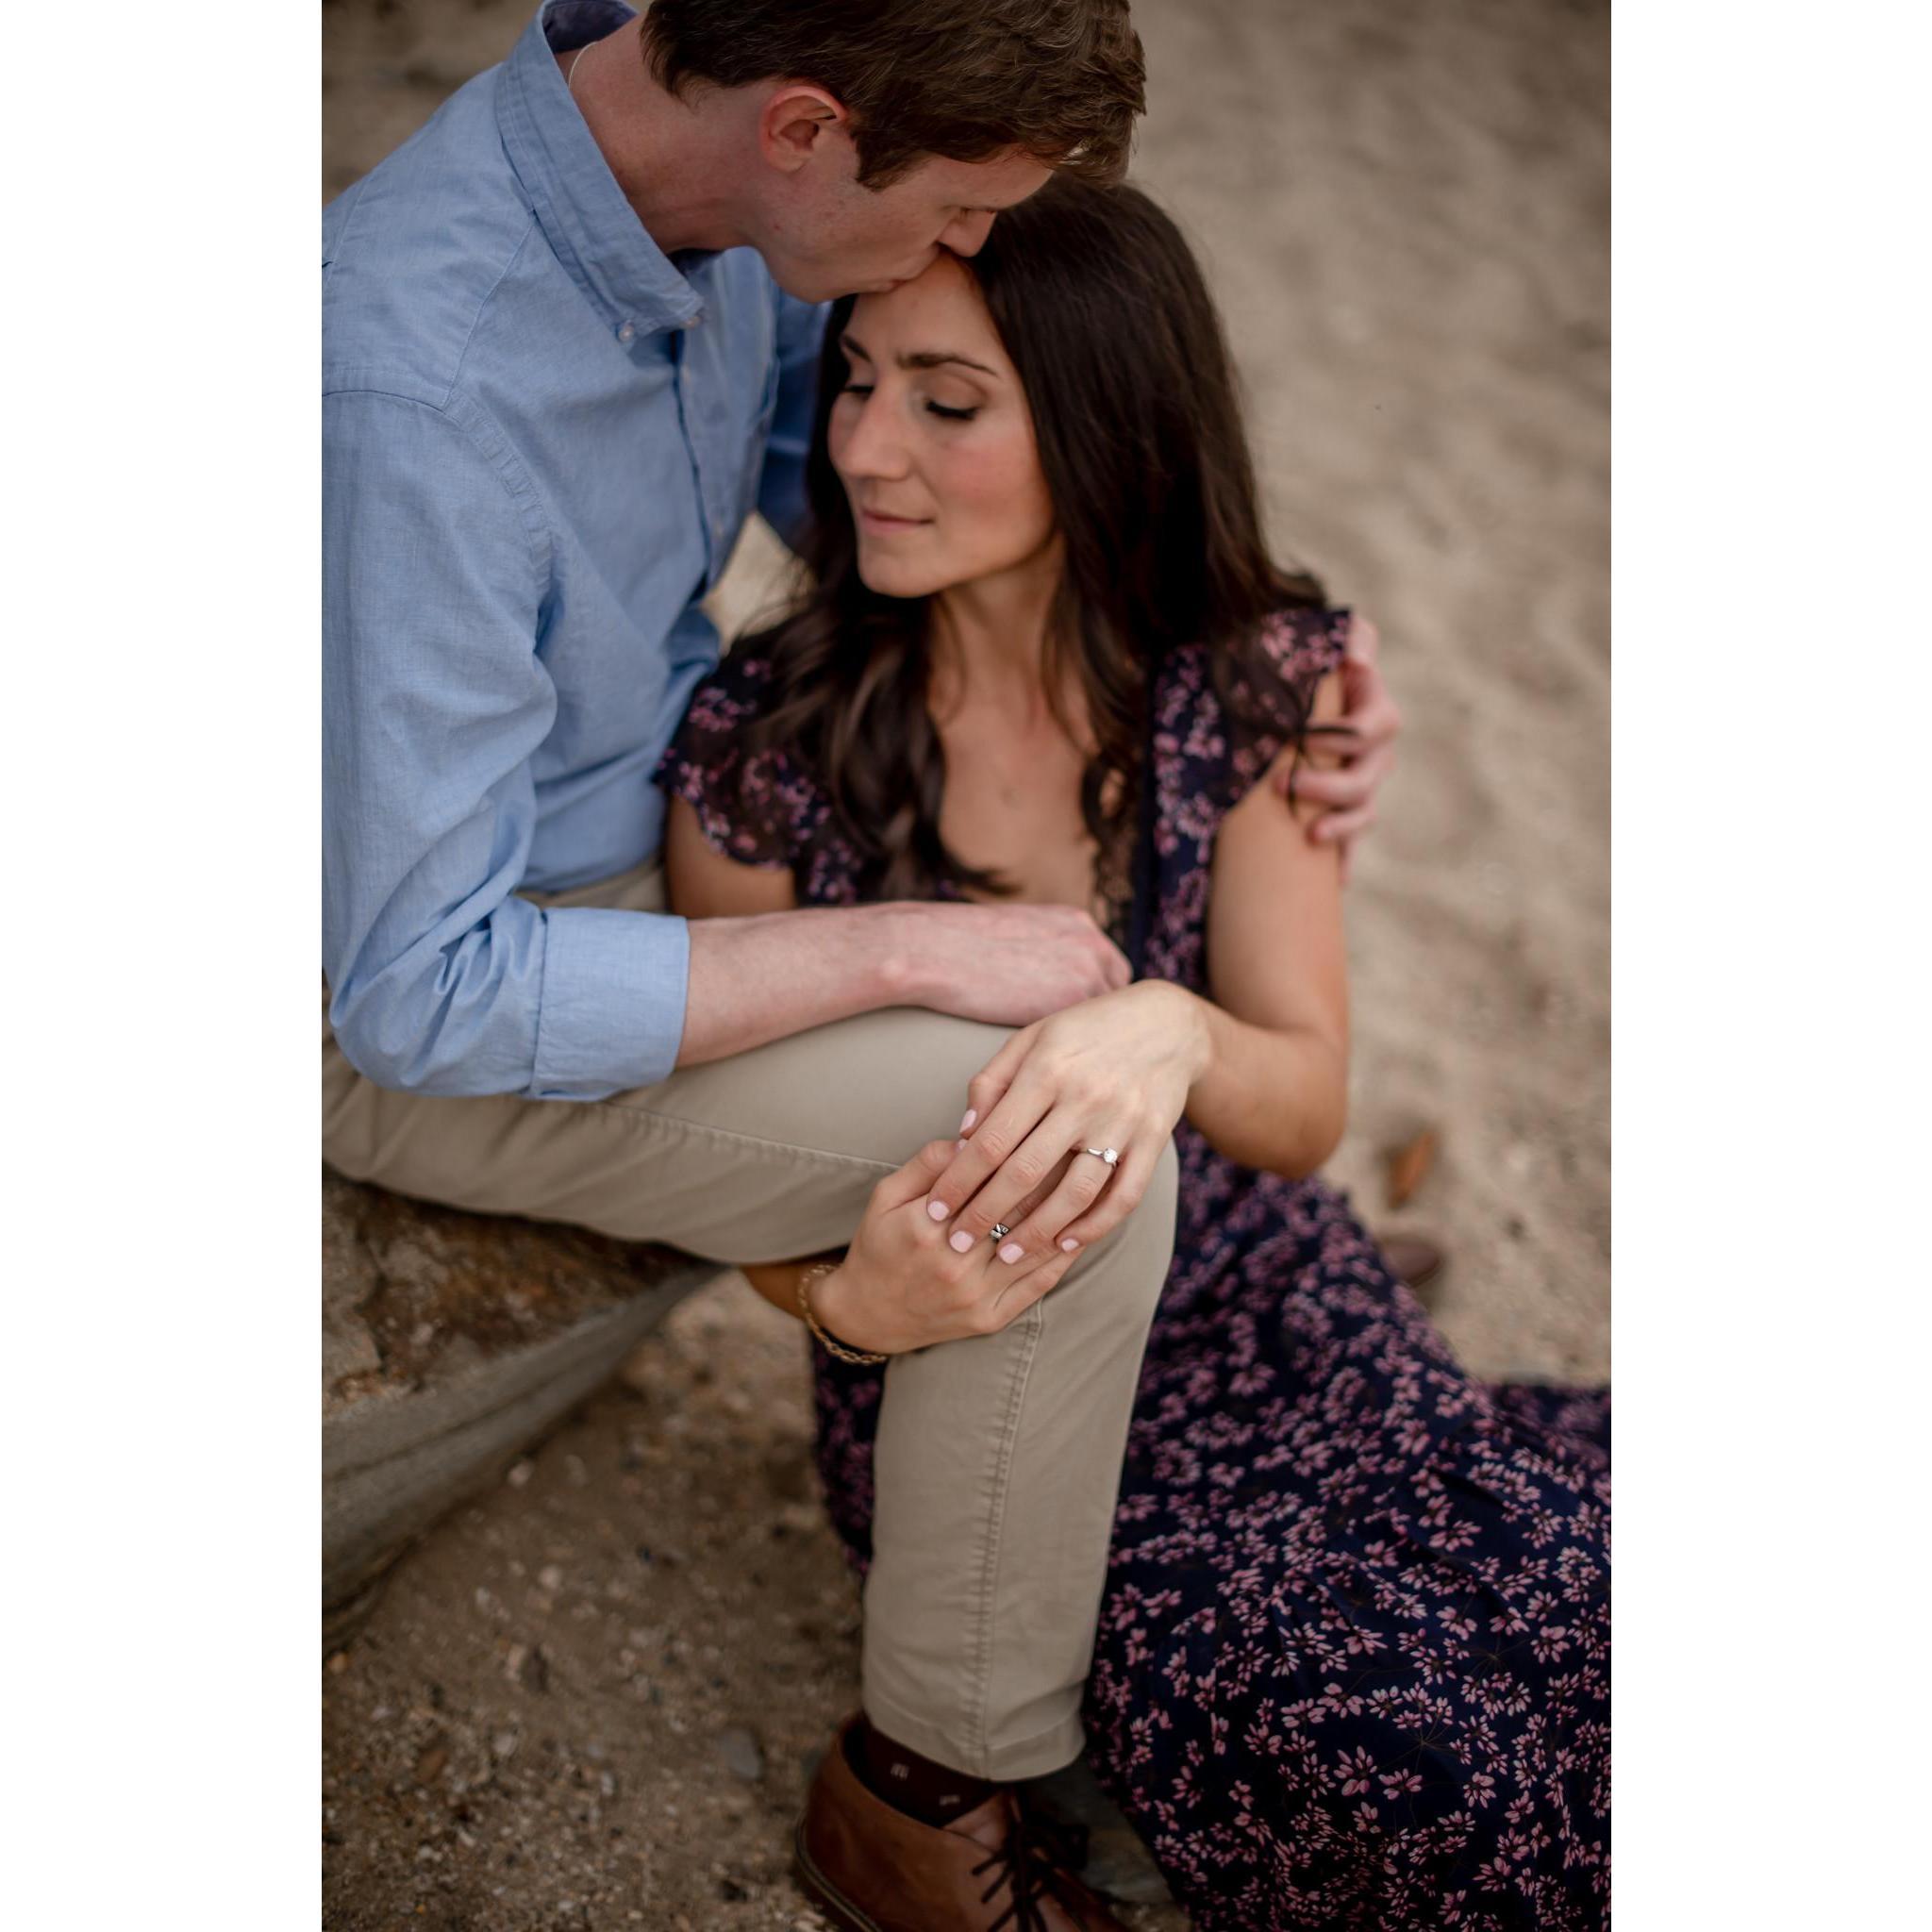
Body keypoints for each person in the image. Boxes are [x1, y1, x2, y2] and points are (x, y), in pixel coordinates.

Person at [324, 5, 1404, 1928]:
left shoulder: (698, 174)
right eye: (954, 215)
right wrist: (896, 940)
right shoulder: (415, 385)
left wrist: (1230, 641)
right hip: (420, 970)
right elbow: (414, 989)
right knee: (1042, 1119)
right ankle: (916, 1792)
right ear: (811, 134)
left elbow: (859, 459)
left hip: (626, 876)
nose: (944, 265)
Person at [656, 176, 1610, 1931]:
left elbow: (1304, 1102)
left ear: (1105, 426)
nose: (868, 446)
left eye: (948, 403)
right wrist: (846, 1311)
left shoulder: (1248, 681)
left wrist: (1168, 1026)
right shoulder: (761, 739)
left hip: (1266, 1292)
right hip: (969, 1358)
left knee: (1588, 1623)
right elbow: (731, 1189)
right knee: (1395, 1763)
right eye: (856, 379)